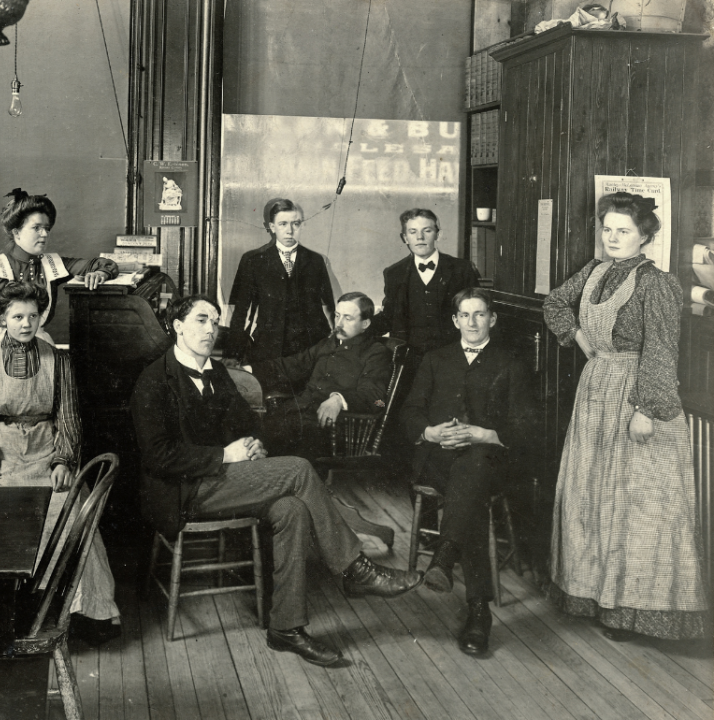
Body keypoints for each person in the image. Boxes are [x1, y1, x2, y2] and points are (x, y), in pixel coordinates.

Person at [130, 294, 422, 668]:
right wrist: (225, 455)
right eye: (201, 320)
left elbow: (246, 424)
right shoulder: (155, 379)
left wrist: (254, 445)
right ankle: (355, 570)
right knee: (299, 469)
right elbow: (157, 457)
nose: (210, 329)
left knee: (292, 508)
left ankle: (286, 628)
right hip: (180, 491)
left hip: (220, 481)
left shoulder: (216, 372)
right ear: (178, 326)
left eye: (215, 322)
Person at [544, 191, 709, 641]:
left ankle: (634, 611)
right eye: (608, 229)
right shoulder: (594, 271)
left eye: (624, 231)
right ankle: (596, 598)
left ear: (645, 237)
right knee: (594, 495)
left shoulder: (657, 282)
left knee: (638, 505)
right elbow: (555, 304)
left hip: (639, 397)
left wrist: (645, 410)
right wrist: (580, 339)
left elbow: (661, 351)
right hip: (596, 391)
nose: (613, 237)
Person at [0, 282, 120, 631]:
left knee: (69, 512)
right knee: (0, 519)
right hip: (4, 455)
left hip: (47, 451)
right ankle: (12, 615)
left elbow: (69, 420)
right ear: (1, 319)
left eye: (33, 315)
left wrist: (63, 461)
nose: (27, 323)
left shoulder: (58, 361)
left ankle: (76, 614)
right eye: (17, 316)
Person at [400, 288, 535, 655]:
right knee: (469, 492)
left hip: (489, 460)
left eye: (480, 315)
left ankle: (445, 560)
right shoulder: (435, 359)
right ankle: (478, 611)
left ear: (492, 319)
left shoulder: (510, 362)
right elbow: (410, 411)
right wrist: (431, 432)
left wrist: (485, 434)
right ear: (455, 320)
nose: (472, 322)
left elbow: (526, 427)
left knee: (473, 470)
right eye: (465, 315)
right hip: (438, 460)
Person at [0, 189, 118, 358]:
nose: (44, 234)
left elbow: (105, 264)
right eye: (36, 228)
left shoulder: (52, 264)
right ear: (16, 232)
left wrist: (101, 273)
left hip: (40, 346)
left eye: (47, 228)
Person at [248, 292, 392, 458]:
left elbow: (376, 399)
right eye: (337, 316)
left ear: (365, 323)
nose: (338, 324)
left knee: (269, 445)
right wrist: (248, 370)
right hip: (299, 414)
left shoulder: (375, 353)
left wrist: (339, 399)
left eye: (347, 318)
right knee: (253, 429)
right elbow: (292, 365)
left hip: (333, 427)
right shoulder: (328, 343)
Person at [370, 209, 480, 391]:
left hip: (453, 358)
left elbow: (477, 313)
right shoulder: (394, 273)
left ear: (438, 234)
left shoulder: (462, 269)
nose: (420, 237)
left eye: (427, 230)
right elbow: (389, 316)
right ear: (404, 238)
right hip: (410, 362)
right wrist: (359, 327)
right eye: (413, 232)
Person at [224, 199, 335, 375]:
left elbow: (329, 305)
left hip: (309, 350)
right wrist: (233, 353)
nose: (290, 230)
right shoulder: (253, 261)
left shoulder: (315, 261)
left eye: (295, 224)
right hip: (269, 350)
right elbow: (241, 311)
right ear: (271, 227)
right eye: (283, 224)